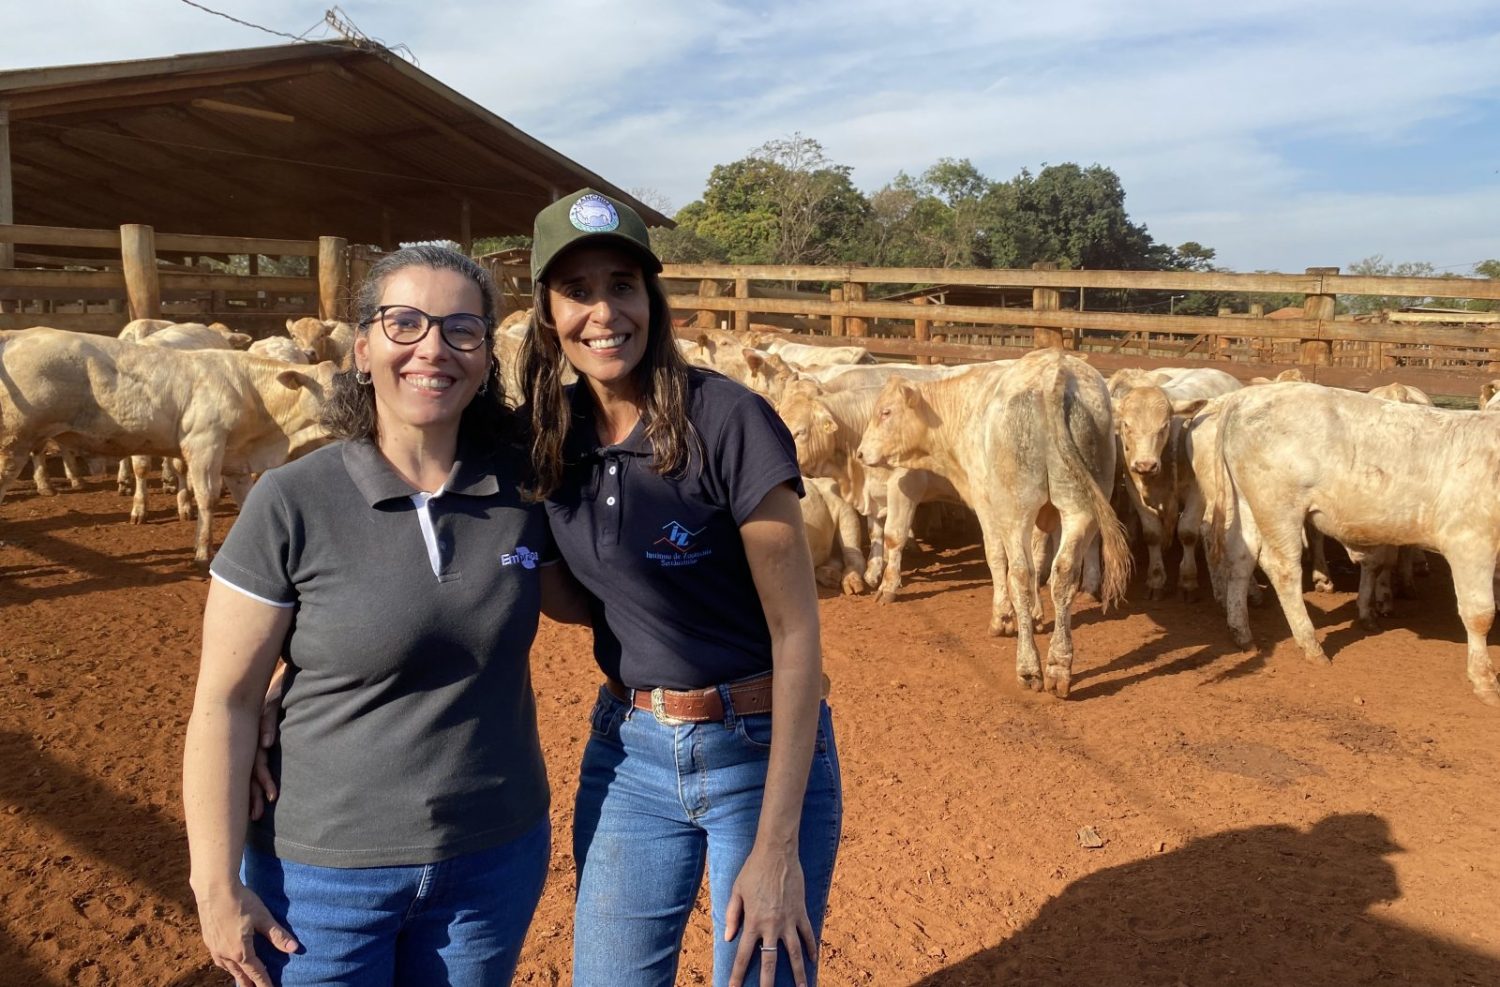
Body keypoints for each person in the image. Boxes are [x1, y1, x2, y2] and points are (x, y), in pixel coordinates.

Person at [184, 245, 579, 987]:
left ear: (485, 358)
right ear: (362, 349)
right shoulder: (293, 499)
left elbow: (604, 595)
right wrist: (215, 885)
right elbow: (226, 700)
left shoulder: (522, 493)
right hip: (323, 879)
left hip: (492, 860)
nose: (433, 347)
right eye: (406, 323)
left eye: (461, 330)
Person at [516, 189, 843, 987]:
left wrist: (776, 851)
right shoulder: (548, 436)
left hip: (754, 748)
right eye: (578, 290)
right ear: (547, 311)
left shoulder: (728, 421)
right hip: (630, 751)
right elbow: (568, 600)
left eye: (621, 284)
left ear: (651, 300)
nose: (603, 312)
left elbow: (798, 635)